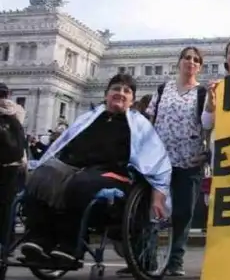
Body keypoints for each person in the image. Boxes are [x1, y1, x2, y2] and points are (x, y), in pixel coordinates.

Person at [19, 74, 171, 265]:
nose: (120, 93)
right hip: (74, 167)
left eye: (126, 91)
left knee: (81, 183)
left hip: (114, 173)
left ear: (132, 100)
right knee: (41, 176)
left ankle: (71, 246)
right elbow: (64, 145)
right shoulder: (88, 118)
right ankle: (39, 238)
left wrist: (158, 194)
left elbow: (156, 161)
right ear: (106, 94)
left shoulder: (139, 125)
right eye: (116, 89)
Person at [138, 47, 207, 277]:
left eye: (196, 59)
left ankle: (175, 260)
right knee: (153, 210)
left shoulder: (203, 93)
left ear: (200, 67)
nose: (191, 62)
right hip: (159, 161)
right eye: (187, 57)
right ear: (179, 62)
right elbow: (150, 120)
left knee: (183, 213)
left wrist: (206, 153)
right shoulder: (162, 89)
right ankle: (146, 258)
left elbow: (209, 124)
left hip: (189, 160)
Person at [0, 83, 28, 246]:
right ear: (8, 94)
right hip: (14, 165)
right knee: (8, 204)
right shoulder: (17, 112)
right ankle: (6, 242)